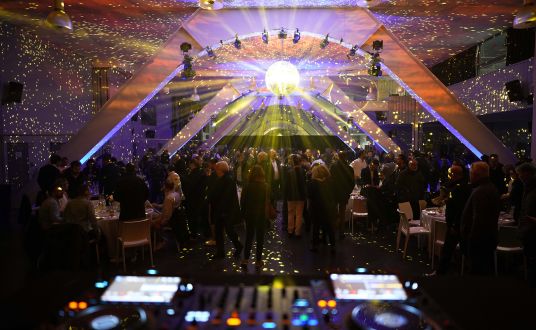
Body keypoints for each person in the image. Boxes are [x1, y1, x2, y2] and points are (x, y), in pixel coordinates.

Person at [460, 161, 500, 276]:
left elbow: (479, 219)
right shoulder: (490, 187)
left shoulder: (480, 191)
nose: (469, 176)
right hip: (487, 238)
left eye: (471, 174)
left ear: (476, 175)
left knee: (477, 274)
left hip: (479, 241)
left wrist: (471, 240)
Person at [435, 164, 472, 275]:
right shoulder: (461, 186)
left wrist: (454, 225)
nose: (449, 176)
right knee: (463, 250)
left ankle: (440, 273)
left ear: (455, 174)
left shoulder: (459, 188)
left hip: (456, 225)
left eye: (451, 173)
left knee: (448, 250)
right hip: (459, 224)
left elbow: (459, 208)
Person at [210, 161, 243, 259]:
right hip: (222, 210)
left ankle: (237, 246)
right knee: (221, 231)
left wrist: (222, 210)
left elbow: (227, 197)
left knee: (228, 230)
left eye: (217, 169)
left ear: (220, 169)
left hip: (225, 210)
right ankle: (221, 252)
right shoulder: (222, 179)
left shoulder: (228, 180)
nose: (215, 170)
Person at [241, 165, 269, 269]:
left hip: (249, 214)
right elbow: (268, 201)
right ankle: (258, 261)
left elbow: (242, 201)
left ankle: (245, 259)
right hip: (261, 214)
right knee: (260, 238)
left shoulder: (247, 186)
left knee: (249, 237)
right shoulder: (265, 186)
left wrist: (242, 214)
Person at [308, 164, 336, 254]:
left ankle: (315, 245)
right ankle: (333, 246)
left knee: (316, 227)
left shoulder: (312, 183)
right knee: (329, 227)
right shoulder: (330, 182)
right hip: (328, 208)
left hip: (316, 208)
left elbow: (309, 196)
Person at [516, 162, 536, 286]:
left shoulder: (531, 189)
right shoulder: (528, 188)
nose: (519, 177)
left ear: (527, 174)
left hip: (532, 231)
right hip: (528, 230)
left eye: (520, 174)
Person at [330, 152, 355, 238]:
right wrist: (348, 191)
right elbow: (352, 183)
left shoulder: (333, 166)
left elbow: (330, 179)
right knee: (342, 212)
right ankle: (341, 232)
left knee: (334, 211)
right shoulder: (349, 168)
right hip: (344, 193)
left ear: (339, 157)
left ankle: (333, 229)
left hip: (334, 192)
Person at [285, 154, 307, 238]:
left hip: (291, 196)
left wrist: (286, 195)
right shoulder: (303, 171)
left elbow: (286, 185)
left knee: (290, 213)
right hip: (300, 196)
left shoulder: (289, 172)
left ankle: (290, 230)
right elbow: (304, 184)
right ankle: (297, 232)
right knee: (299, 214)